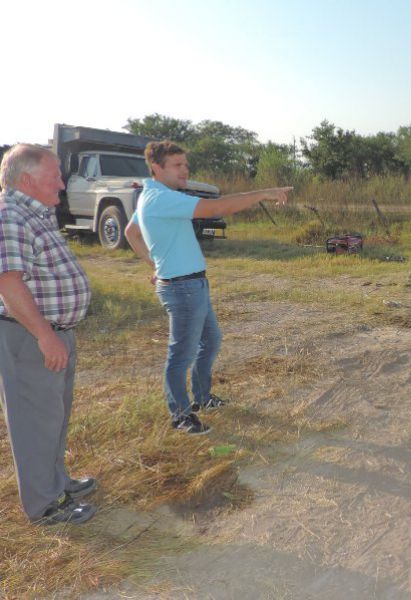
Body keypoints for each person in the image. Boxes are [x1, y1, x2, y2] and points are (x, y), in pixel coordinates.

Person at [124, 141, 291, 435]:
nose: (185, 170)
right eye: (177, 165)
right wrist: (264, 193)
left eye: (185, 164)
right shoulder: (160, 199)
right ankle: (181, 415)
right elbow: (216, 207)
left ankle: (201, 398)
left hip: (190, 283)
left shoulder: (152, 194)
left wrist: (156, 266)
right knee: (182, 354)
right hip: (184, 288)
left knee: (211, 340)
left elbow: (131, 232)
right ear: (157, 167)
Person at [0, 145, 96, 525]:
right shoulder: (10, 215)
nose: (62, 182)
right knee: (35, 419)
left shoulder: (34, 213)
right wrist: (44, 335)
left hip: (52, 334)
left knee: (53, 415)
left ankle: (56, 482)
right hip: (30, 337)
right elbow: (8, 283)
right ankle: (44, 505)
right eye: (54, 175)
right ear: (26, 179)